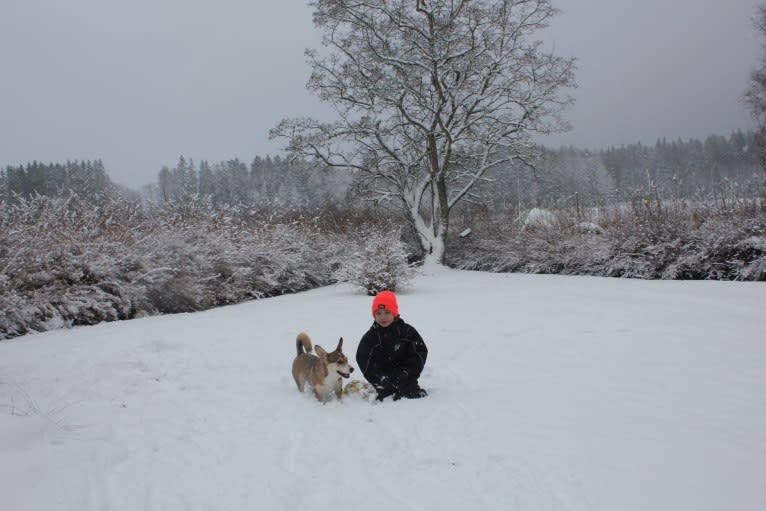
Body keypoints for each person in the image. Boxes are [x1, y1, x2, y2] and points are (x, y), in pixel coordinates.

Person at [356, 290, 428, 401]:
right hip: (383, 380)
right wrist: (378, 378)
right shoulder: (371, 336)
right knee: (386, 397)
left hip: (405, 376)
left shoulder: (407, 331)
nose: (382, 317)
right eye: (378, 313)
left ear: (394, 313)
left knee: (411, 394)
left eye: (387, 312)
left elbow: (419, 352)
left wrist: (407, 372)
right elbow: (362, 358)